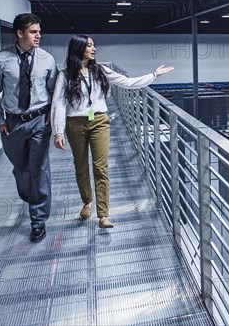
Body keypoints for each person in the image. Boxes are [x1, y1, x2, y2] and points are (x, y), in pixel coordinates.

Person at [51, 35, 174, 228]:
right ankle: (87, 202)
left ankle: (103, 214)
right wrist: (58, 132)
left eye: (94, 45)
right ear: (79, 48)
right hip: (75, 123)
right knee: (81, 166)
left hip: (99, 120)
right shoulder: (65, 75)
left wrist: (154, 75)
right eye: (89, 45)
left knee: (101, 167)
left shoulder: (100, 71)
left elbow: (128, 82)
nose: (94, 49)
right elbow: (58, 104)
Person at [0, 13, 58, 242]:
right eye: (33, 31)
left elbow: (54, 92)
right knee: (21, 168)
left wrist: (51, 117)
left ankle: (38, 220)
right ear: (20, 33)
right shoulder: (1, 59)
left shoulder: (47, 59)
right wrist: (0, 120)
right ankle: (31, 196)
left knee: (39, 169)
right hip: (13, 123)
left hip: (40, 121)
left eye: (39, 31)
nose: (39, 35)